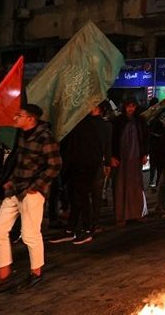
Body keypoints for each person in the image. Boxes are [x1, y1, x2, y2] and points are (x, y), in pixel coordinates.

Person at [0, 103, 61, 296]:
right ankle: (4, 273)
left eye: (19, 115)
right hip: (15, 190)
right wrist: (10, 181)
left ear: (30, 119)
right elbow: (19, 161)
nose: (15, 118)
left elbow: (55, 165)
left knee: (30, 234)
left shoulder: (45, 137)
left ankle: (36, 272)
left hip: (32, 193)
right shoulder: (22, 135)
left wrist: (36, 187)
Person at [51, 103, 111, 244]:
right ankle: (72, 229)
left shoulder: (88, 124)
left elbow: (76, 145)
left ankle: (85, 229)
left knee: (82, 195)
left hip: (83, 163)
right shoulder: (98, 124)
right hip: (84, 163)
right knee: (77, 195)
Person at [111, 99, 149, 227]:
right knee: (120, 186)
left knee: (136, 186)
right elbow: (112, 140)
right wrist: (111, 156)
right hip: (121, 159)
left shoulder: (140, 121)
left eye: (133, 106)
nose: (131, 109)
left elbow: (144, 138)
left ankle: (137, 214)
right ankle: (121, 217)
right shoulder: (117, 122)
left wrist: (144, 154)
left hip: (135, 158)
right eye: (128, 106)